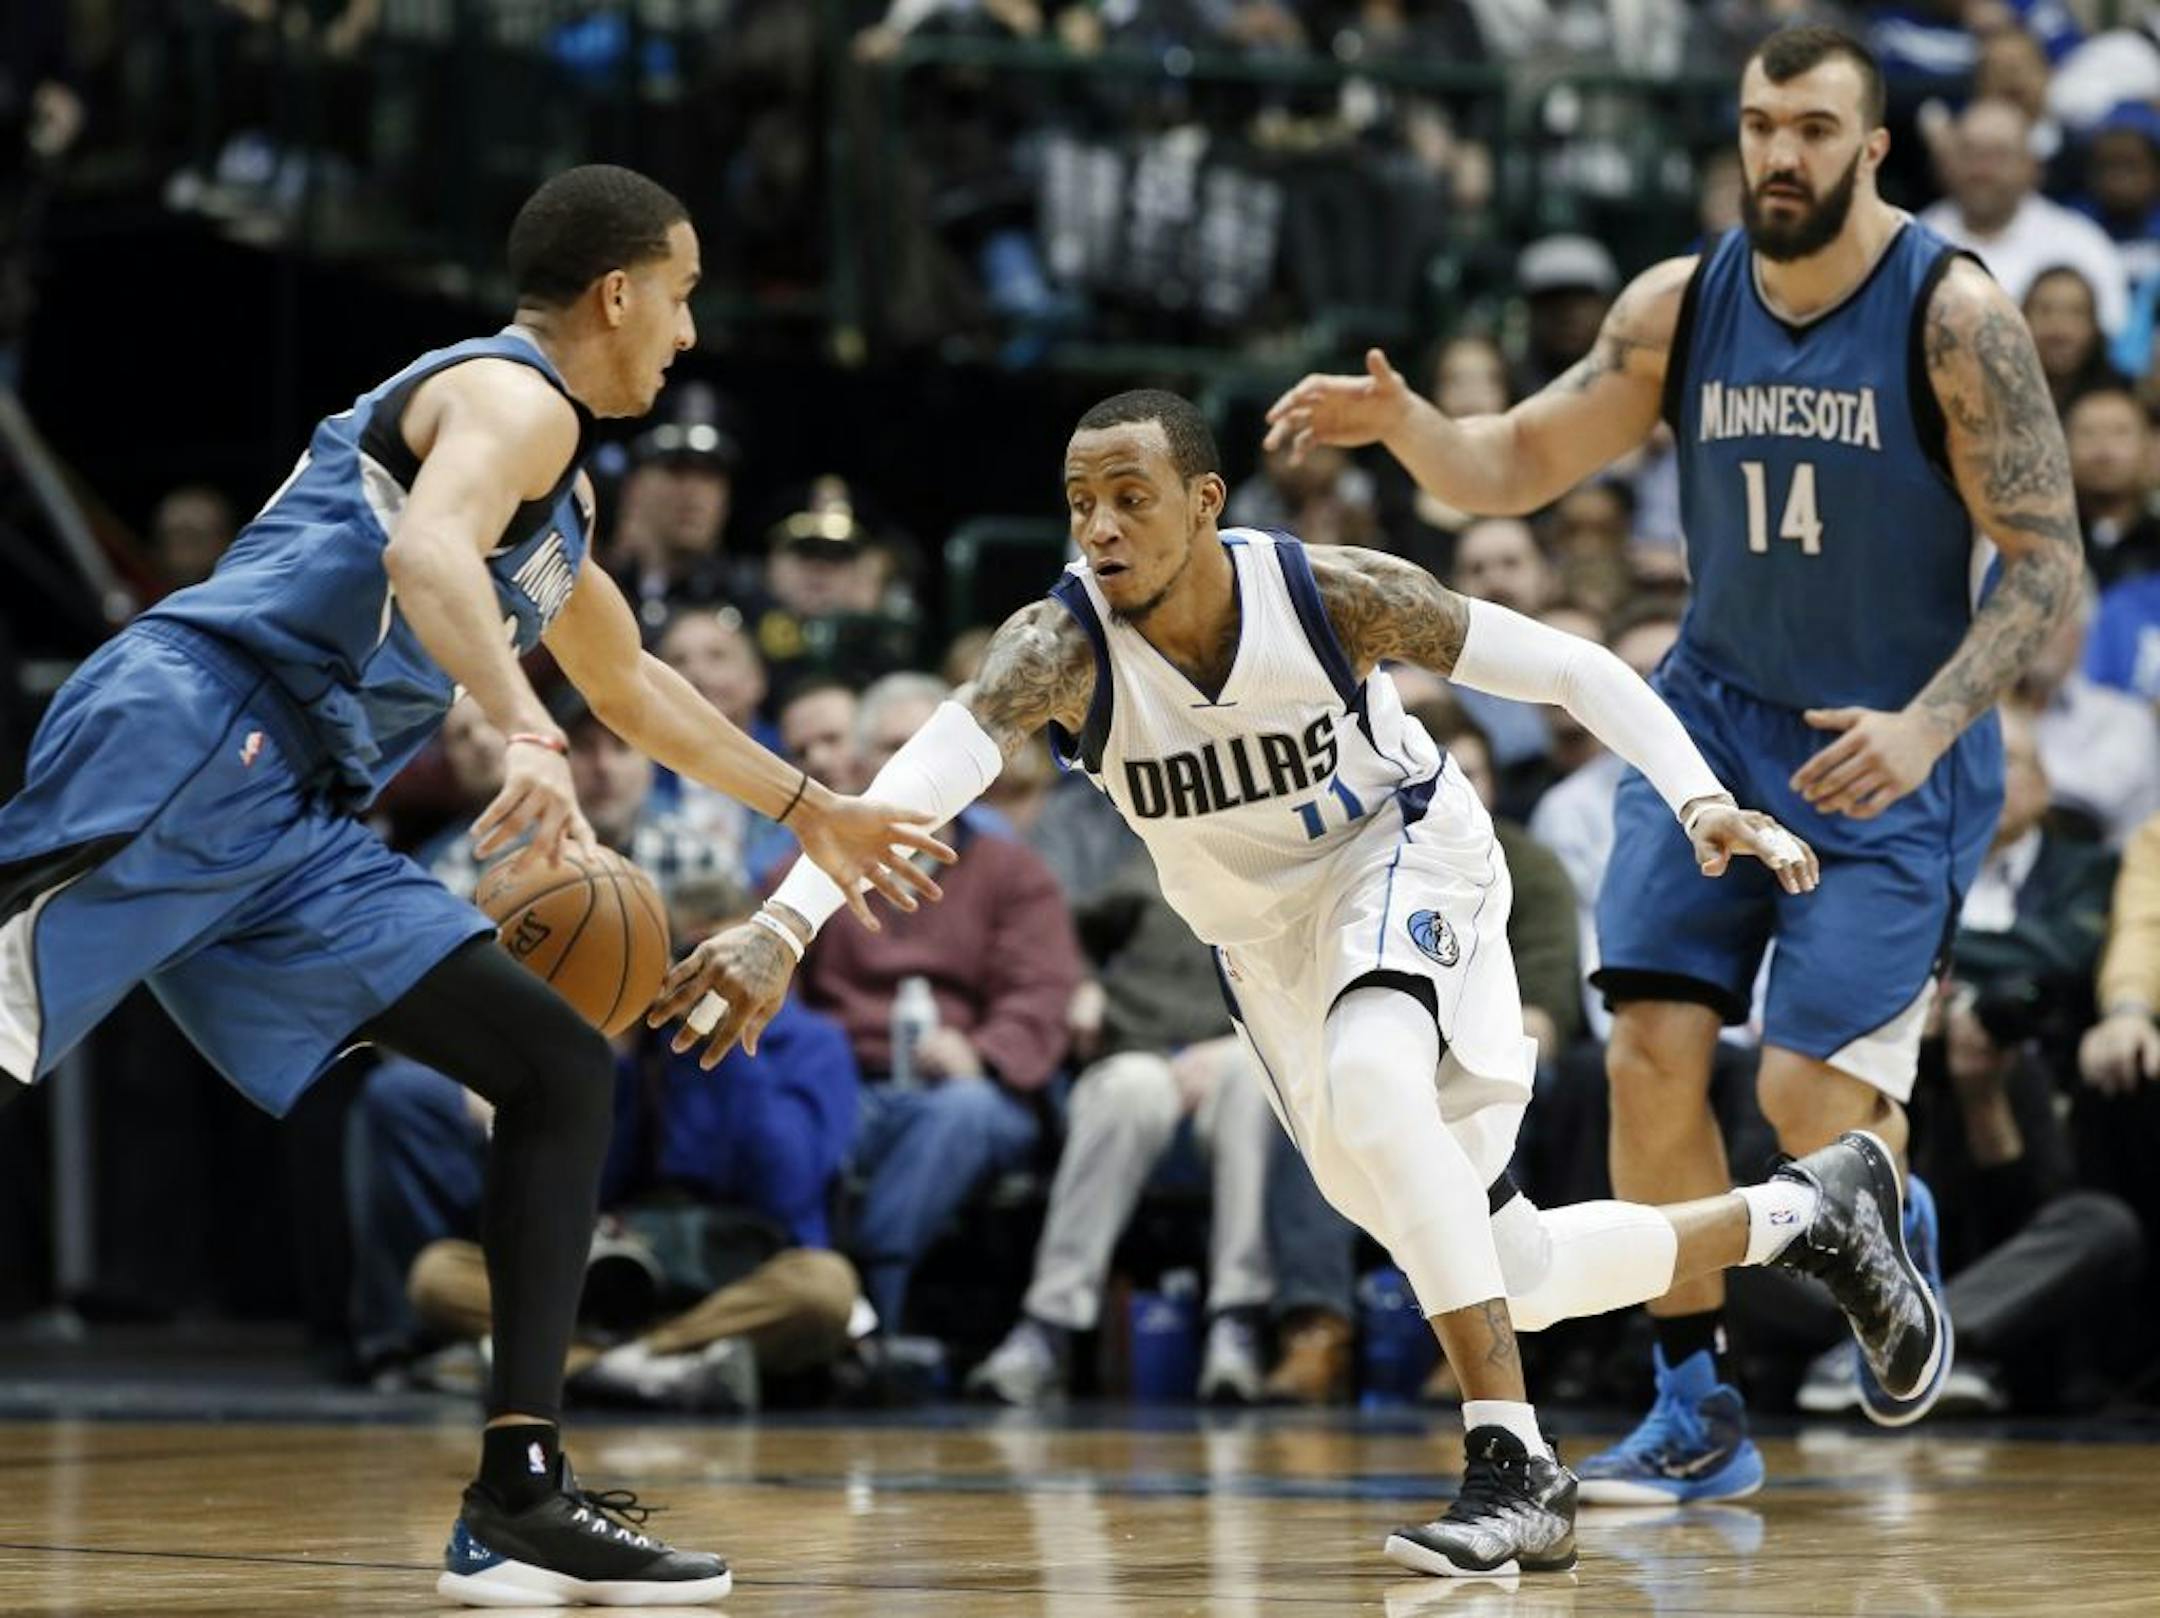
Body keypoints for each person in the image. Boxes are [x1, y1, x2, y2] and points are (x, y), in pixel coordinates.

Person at [656, 388, 1948, 1580]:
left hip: (1403, 857)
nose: (1099, 526)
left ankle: (1513, 1460)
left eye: (1130, 496)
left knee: (1378, 1080)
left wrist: (1701, 796)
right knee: (1510, 1264)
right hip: (1265, 952)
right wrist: (783, 922)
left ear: (1208, 502)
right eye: (1079, 501)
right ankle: (1807, 1215)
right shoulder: (1058, 648)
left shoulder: (1331, 595)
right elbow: (909, 791)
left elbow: (1572, 669)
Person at [0, 165, 949, 1607]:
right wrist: (520, 730)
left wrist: (818, 809)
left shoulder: (554, 488)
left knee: (559, 1065)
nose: (689, 333)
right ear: (616, 292)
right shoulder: (513, 399)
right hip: (203, 728)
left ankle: (518, 1489)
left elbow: (632, 681)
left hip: (298, 814)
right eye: (683, 298)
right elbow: (423, 548)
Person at [1266, 26, 2081, 1496]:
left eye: (1817, 129)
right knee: (1651, 1053)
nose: (1782, 155)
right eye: (1763, 124)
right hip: (1711, 717)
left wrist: (1929, 722)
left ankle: (1885, 1212)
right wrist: (1407, 427)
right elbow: (1511, 463)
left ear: (1875, 146)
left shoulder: (1953, 316)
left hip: (1883, 746)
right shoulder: (1681, 302)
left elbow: (2041, 561)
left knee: (1801, 1107)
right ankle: (1692, 1403)